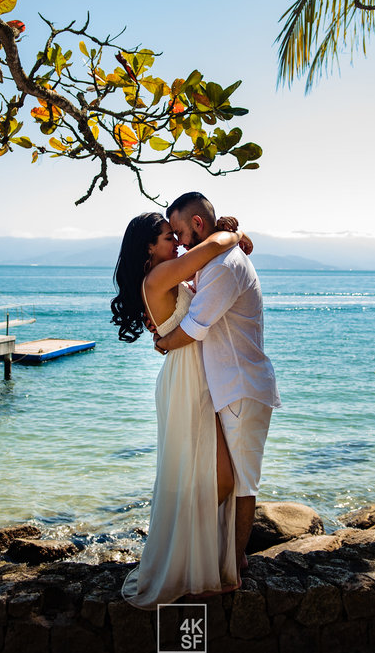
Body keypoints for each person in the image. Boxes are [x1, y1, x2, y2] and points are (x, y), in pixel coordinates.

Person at [111, 212, 249, 608]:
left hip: (194, 376)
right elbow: (215, 245)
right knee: (218, 479)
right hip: (187, 380)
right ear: (149, 247)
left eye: (175, 235)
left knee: (204, 475)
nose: (177, 242)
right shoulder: (158, 277)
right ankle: (187, 559)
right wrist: (234, 233)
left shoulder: (167, 276)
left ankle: (191, 557)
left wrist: (234, 234)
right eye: (168, 237)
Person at [153, 192, 280, 578]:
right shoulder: (212, 262)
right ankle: (216, 557)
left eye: (179, 232)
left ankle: (233, 565)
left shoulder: (224, 266)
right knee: (226, 477)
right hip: (228, 388)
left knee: (242, 483)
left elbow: (195, 327)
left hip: (240, 387)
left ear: (197, 224)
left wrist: (162, 342)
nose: (179, 243)